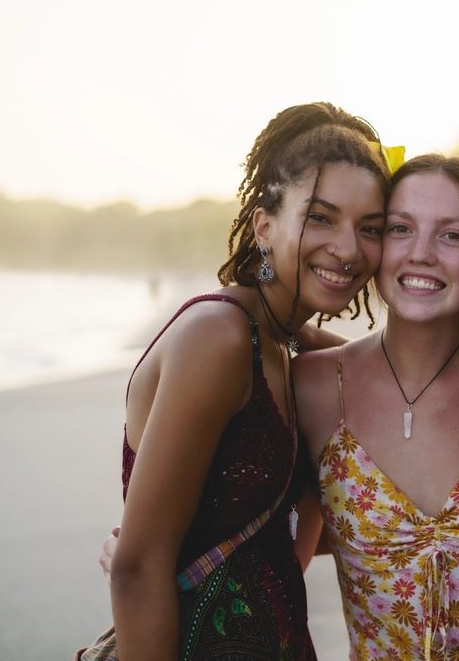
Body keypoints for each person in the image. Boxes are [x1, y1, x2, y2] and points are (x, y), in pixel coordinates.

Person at [107, 102, 391, 661]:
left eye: (371, 228)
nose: (349, 247)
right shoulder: (220, 338)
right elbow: (138, 569)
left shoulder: (300, 351)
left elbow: (289, 536)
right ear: (264, 226)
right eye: (321, 217)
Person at [292, 154, 459, 661]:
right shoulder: (314, 387)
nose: (421, 253)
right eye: (400, 229)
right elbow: (284, 550)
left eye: (452, 235)